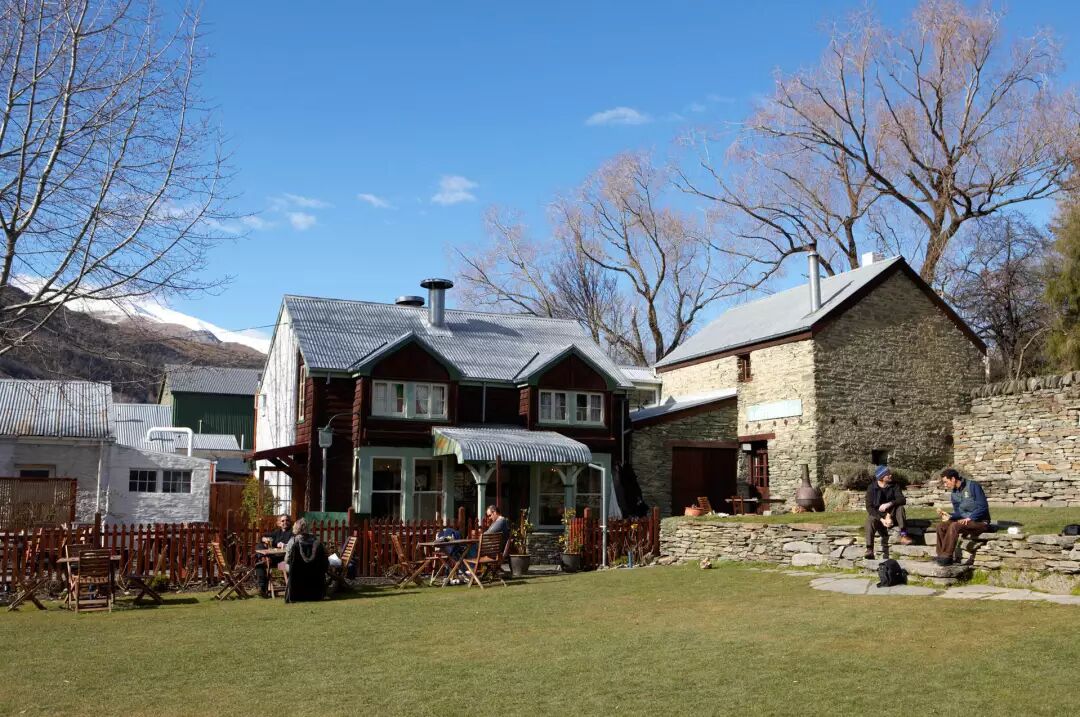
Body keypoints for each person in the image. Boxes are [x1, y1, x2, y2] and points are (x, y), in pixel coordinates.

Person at [935, 468, 991, 566]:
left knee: (954, 526)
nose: (945, 485)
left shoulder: (973, 486)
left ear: (953, 479)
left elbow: (983, 507)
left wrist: (971, 518)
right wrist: (949, 515)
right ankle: (941, 555)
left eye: (946, 482)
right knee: (941, 526)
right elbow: (959, 513)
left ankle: (946, 556)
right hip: (965, 522)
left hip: (980, 522)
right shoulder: (954, 494)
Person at [864, 465, 912, 559]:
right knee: (869, 520)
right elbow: (869, 507)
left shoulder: (894, 486)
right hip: (879, 517)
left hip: (893, 514)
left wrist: (889, 504)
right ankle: (869, 549)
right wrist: (882, 519)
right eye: (888, 474)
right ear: (881, 477)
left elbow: (902, 500)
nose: (890, 475)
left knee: (900, 508)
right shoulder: (871, 488)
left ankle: (904, 536)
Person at [283, 518, 328, 602]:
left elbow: (287, 560)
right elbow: (324, 554)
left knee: (280, 565)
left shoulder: (293, 541)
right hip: (313, 569)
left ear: (295, 528)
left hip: (296, 570)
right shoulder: (316, 540)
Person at [256, 513, 292, 597]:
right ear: (279, 523)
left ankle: (264, 559)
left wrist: (285, 545)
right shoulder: (277, 532)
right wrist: (264, 539)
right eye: (282, 521)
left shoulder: (292, 533)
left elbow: (295, 544)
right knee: (259, 563)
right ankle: (262, 589)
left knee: (261, 563)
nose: (285, 522)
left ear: (290, 522)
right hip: (273, 561)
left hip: (283, 563)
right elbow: (262, 536)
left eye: (287, 520)